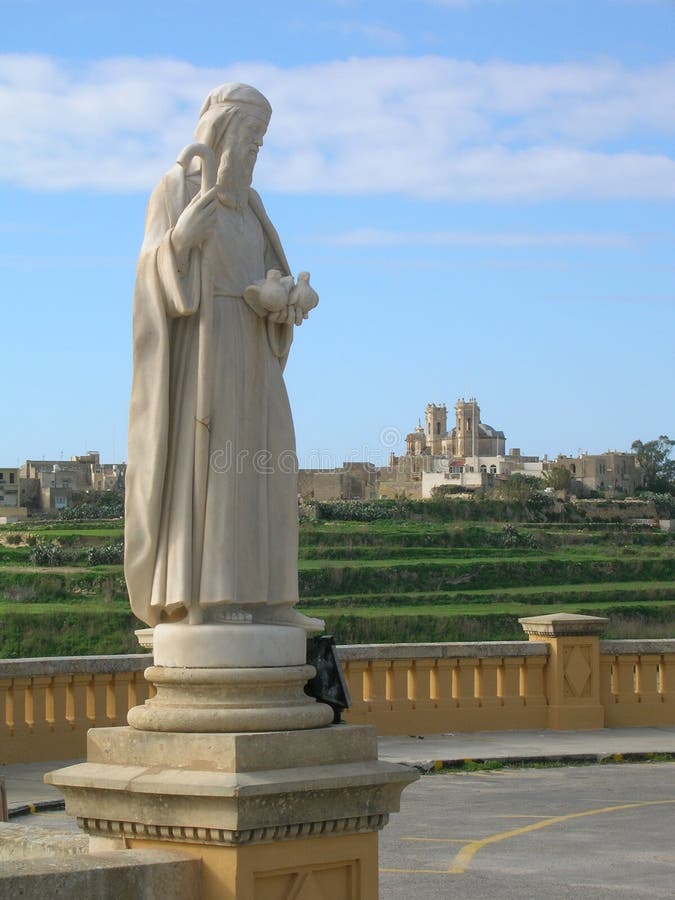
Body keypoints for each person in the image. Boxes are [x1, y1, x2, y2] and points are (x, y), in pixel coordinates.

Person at [124, 83, 319, 629]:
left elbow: (267, 273)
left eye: (262, 141)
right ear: (224, 135)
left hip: (255, 351)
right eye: (251, 138)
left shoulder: (252, 207)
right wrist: (180, 240)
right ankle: (212, 597)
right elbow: (148, 279)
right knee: (220, 474)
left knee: (271, 470)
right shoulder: (177, 188)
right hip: (208, 353)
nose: (257, 151)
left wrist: (284, 299)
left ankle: (273, 599)